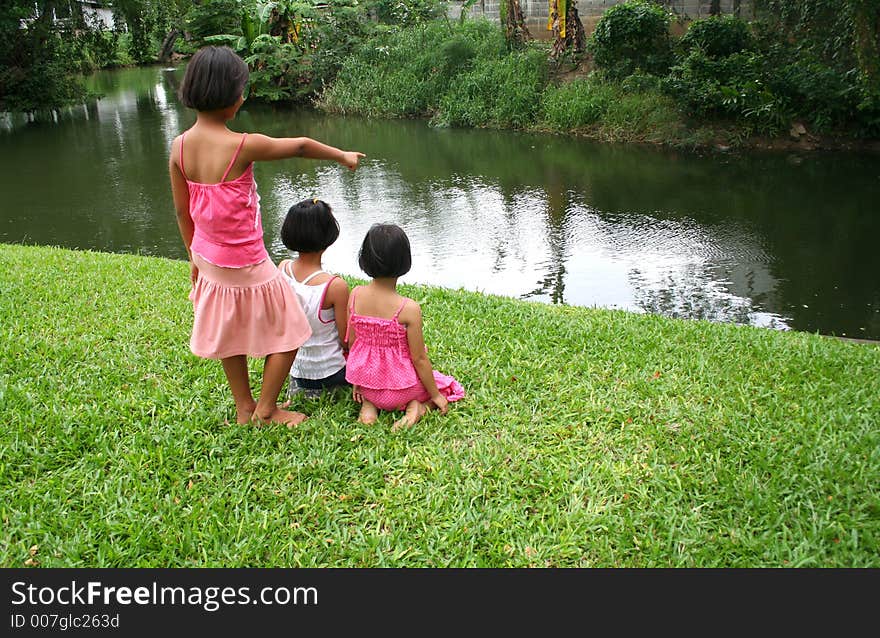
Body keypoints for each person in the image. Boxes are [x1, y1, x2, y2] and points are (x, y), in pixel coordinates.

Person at [168, 45, 365, 427]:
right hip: (248, 264)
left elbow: (181, 211)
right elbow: (302, 146)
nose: (244, 95)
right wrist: (343, 155)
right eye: (242, 89)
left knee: (230, 337)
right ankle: (267, 409)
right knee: (293, 331)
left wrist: (193, 256)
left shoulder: (179, 147)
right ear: (231, 98)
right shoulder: (243, 145)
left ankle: (244, 407)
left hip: (209, 261)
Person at [345, 223, 465, 431]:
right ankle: (419, 408)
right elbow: (419, 358)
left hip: (367, 385)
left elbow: (354, 344)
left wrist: (358, 380)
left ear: (364, 259)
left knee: (376, 389)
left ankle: (369, 405)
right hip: (402, 389)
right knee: (445, 385)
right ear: (404, 260)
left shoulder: (355, 295)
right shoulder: (408, 308)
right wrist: (435, 395)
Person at [278, 198, 350, 398]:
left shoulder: (282, 268)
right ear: (328, 235)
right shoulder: (334, 286)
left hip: (297, 370)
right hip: (331, 372)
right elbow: (346, 341)